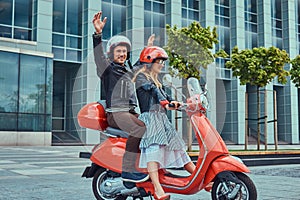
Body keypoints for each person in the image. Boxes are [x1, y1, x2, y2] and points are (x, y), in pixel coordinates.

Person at [92, 11, 153, 183]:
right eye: (118, 51)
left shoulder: (126, 71)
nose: (122, 54)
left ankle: (147, 166)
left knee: (154, 126)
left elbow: (139, 66)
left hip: (130, 113)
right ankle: (128, 171)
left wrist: (147, 49)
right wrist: (97, 35)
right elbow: (98, 56)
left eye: (125, 52)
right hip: (116, 113)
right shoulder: (107, 69)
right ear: (112, 53)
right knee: (139, 128)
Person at [133, 46, 196, 200]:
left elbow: (164, 95)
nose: (162, 64)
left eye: (162, 61)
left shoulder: (157, 80)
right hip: (150, 119)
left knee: (179, 149)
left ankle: (199, 178)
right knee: (153, 151)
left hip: (161, 120)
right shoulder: (142, 78)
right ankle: (157, 188)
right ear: (149, 62)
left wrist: (177, 103)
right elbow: (154, 92)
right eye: (159, 61)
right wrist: (165, 103)